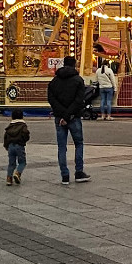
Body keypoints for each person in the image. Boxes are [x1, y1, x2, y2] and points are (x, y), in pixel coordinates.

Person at [47, 56, 91, 185]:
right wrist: (68, 115)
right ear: (74, 65)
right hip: (73, 117)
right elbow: (79, 100)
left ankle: (64, 175)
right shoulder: (78, 80)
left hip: (59, 118)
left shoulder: (54, 81)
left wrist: (61, 115)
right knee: (79, 143)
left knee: (62, 147)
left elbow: (51, 99)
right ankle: (79, 171)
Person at [4, 109, 30, 186]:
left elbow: (5, 137)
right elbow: (26, 134)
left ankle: (9, 178)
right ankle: (17, 173)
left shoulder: (9, 127)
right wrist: (25, 140)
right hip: (19, 145)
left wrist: (6, 145)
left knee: (11, 163)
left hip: (10, 146)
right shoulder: (23, 126)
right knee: (22, 162)